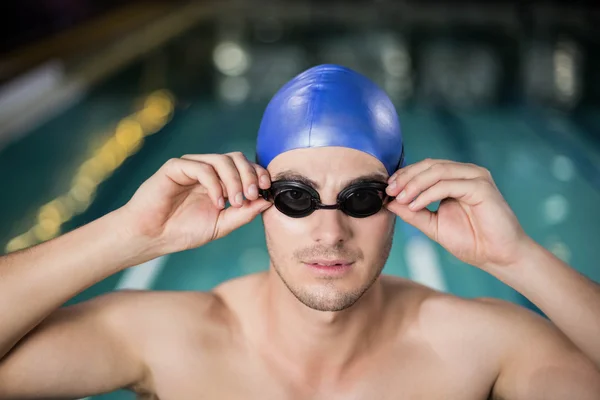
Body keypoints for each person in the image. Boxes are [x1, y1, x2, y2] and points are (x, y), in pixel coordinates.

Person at [0, 64, 599, 400]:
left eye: (362, 197)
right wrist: (130, 234)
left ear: (399, 199)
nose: (330, 230)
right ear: (261, 200)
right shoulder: (167, 338)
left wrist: (518, 258)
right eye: (296, 197)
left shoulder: (483, 349)